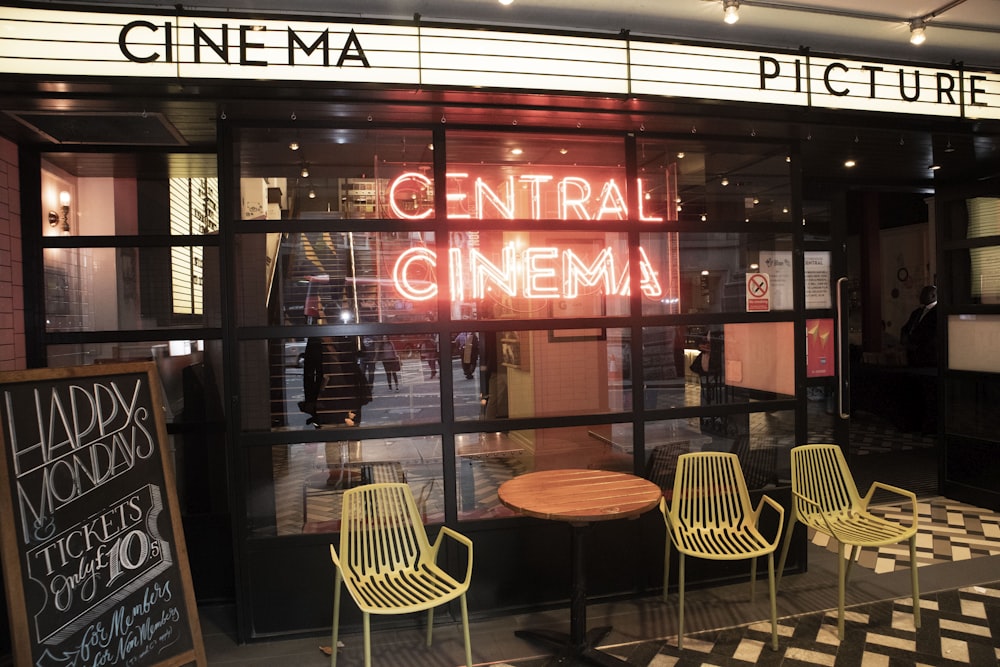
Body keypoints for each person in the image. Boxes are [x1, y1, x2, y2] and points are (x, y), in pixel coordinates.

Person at [900, 285, 938, 368]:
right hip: (912, 355)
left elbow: (934, 334)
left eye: (923, 294)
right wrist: (905, 338)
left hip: (928, 357)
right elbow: (906, 327)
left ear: (933, 295)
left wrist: (918, 345)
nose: (920, 296)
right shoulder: (917, 312)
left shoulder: (938, 312)